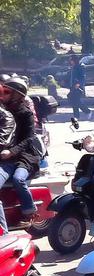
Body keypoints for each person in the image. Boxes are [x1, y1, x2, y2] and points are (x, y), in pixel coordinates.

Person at [0, 79, 38, 232]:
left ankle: (29, 211)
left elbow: (29, 139)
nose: (3, 95)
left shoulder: (25, 113)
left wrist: (12, 151)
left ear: (17, 95)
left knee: (18, 178)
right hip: (5, 156)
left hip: (24, 155)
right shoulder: (3, 110)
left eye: (7, 92)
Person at [68, 55, 91, 119]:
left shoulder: (80, 66)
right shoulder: (73, 67)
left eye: (71, 60)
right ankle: (76, 116)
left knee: (77, 101)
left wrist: (79, 84)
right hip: (72, 86)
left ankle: (87, 111)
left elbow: (82, 77)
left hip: (78, 86)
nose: (70, 62)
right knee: (73, 102)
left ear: (74, 60)